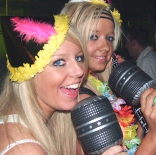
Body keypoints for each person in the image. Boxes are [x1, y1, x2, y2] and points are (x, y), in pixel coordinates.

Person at [60, 0, 156, 155]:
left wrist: (147, 145)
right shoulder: (84, 101)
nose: (106, 46)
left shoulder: (104, 88)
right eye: (93, 36)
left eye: (110, 38)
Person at [0, 15, 127, 155]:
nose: (79, 71)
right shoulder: (25, 150)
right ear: (29, 74)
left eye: (79, 58)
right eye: (59, 62)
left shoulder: (22, 125)